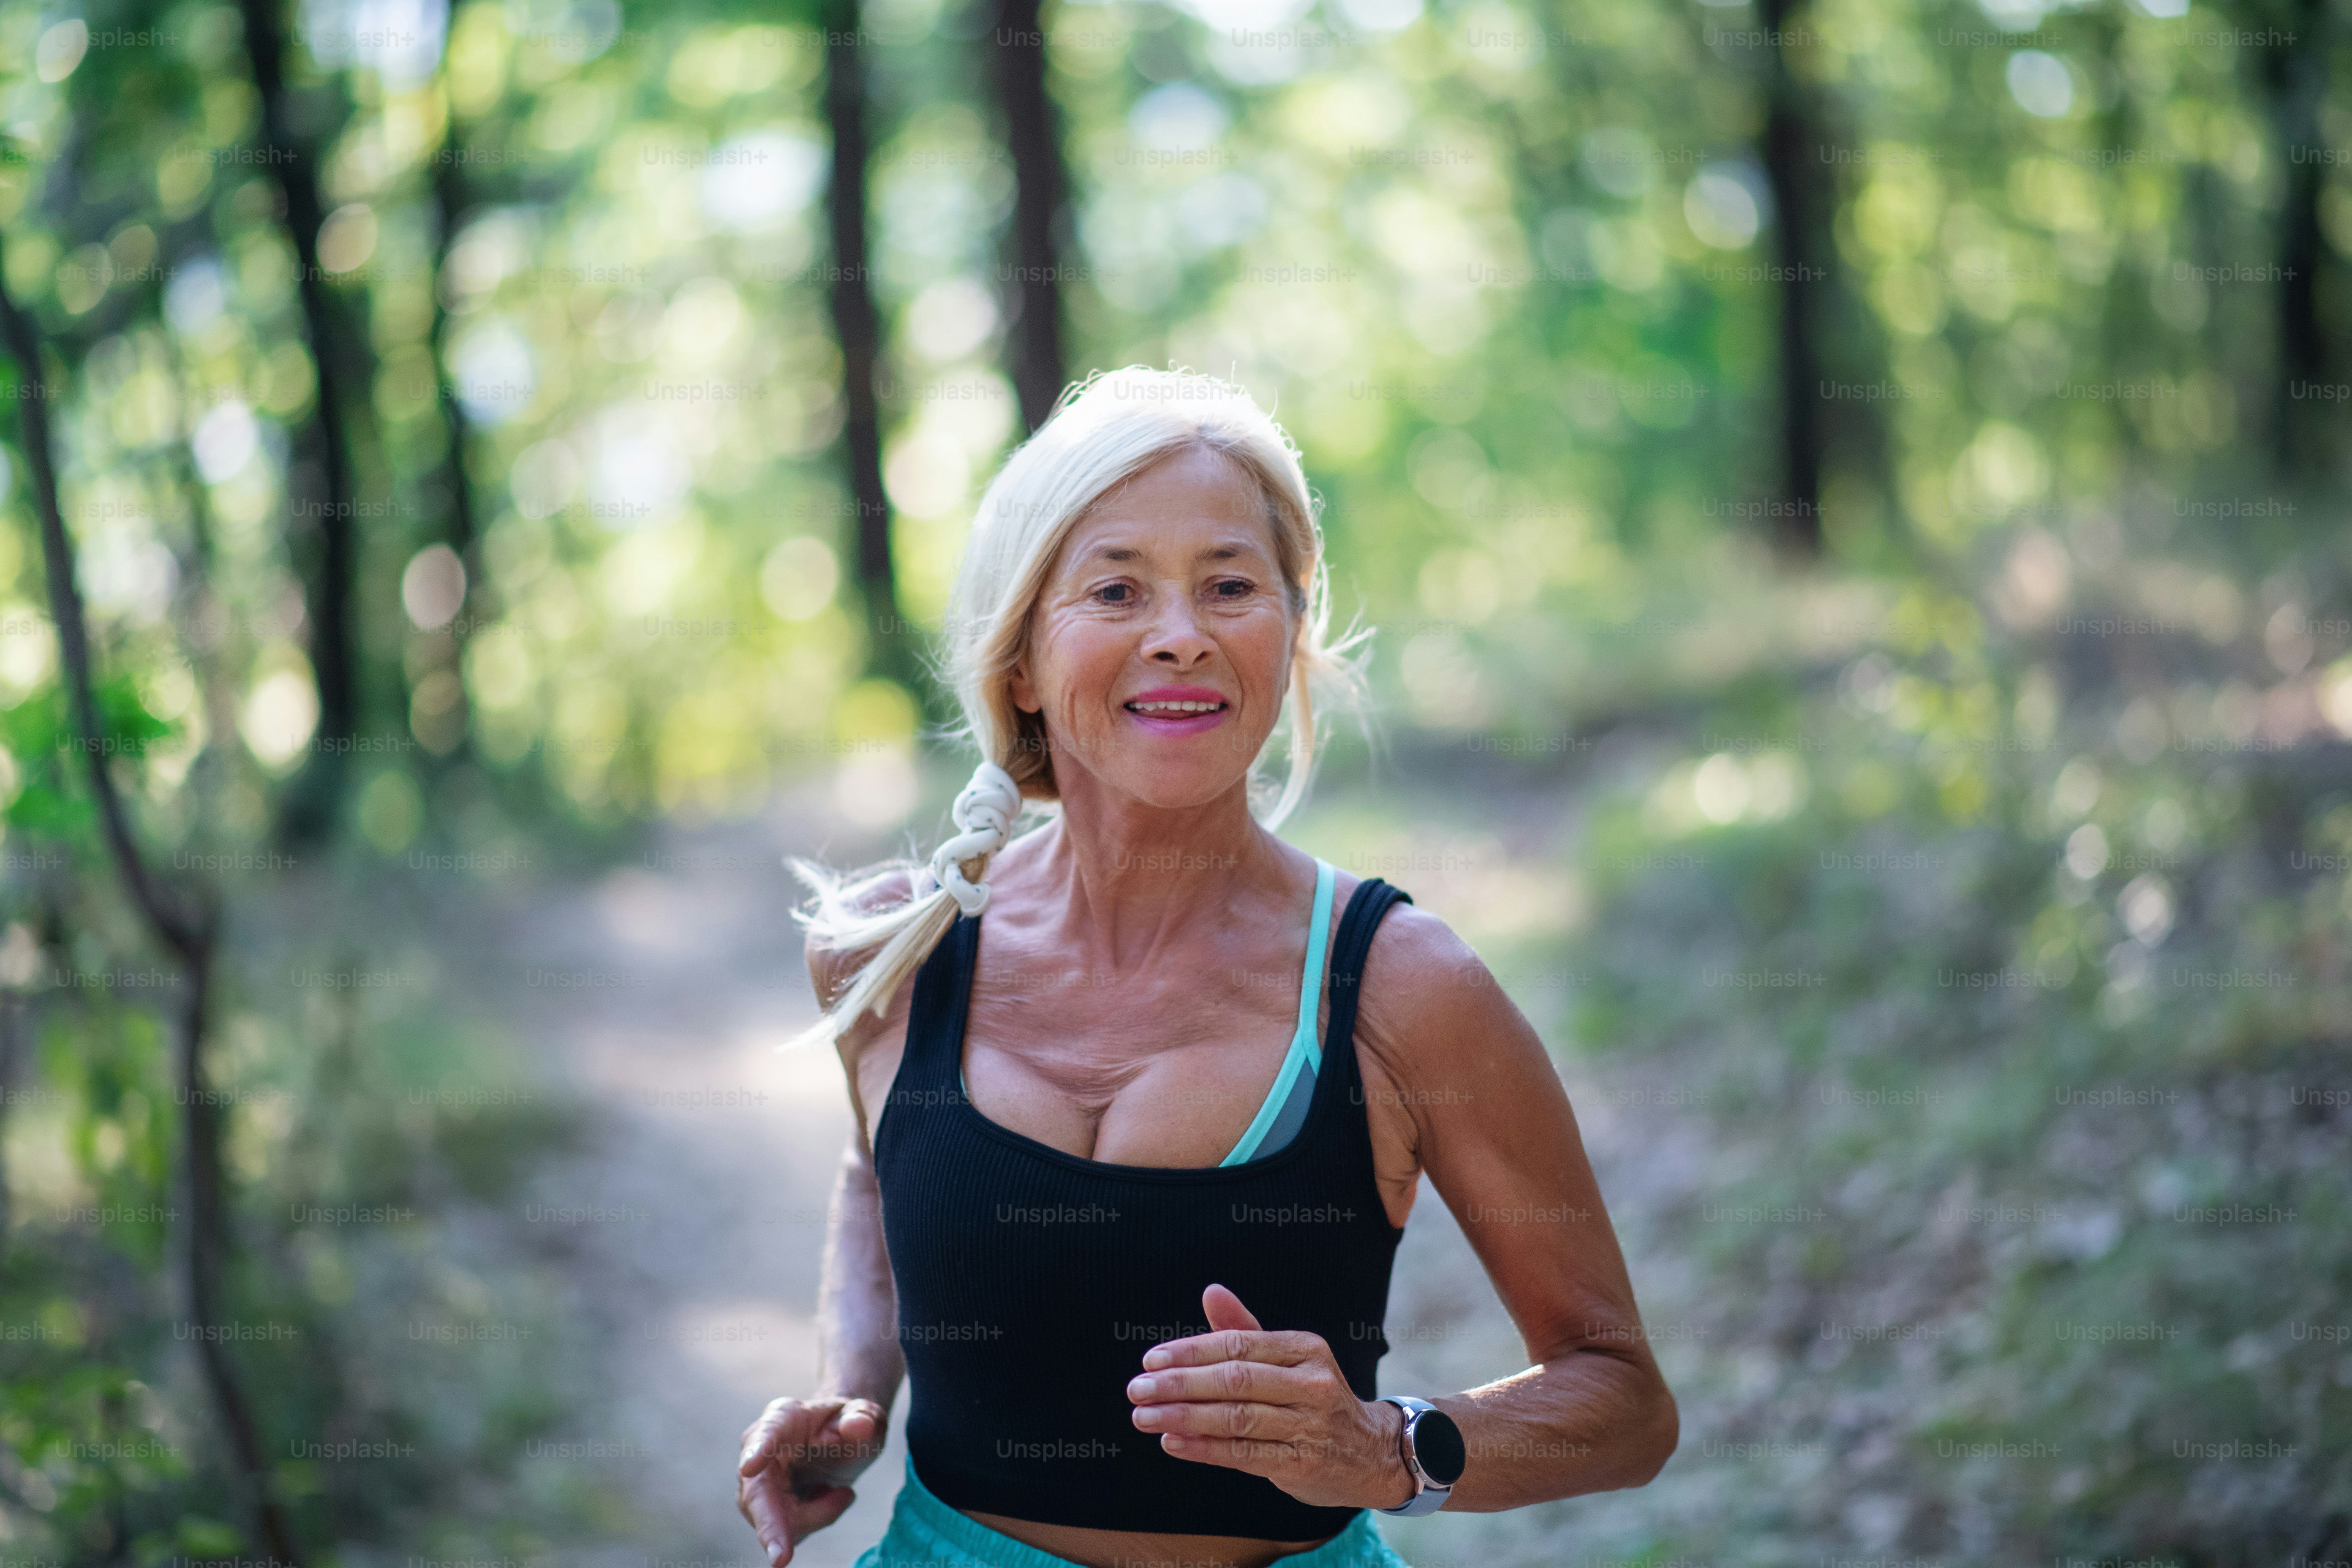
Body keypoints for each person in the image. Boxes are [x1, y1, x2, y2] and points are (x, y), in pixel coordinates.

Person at [737, 368, 1676, 1568]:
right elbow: (878, 1173)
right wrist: (854, 1390)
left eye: (1231, 586)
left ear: (1285, 639)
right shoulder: (891, 954)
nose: (1181, 632)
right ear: (1019, 661)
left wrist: (1391, 1448)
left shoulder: (1401, 988)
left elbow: (1626, 1404)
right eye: (1117, 589)